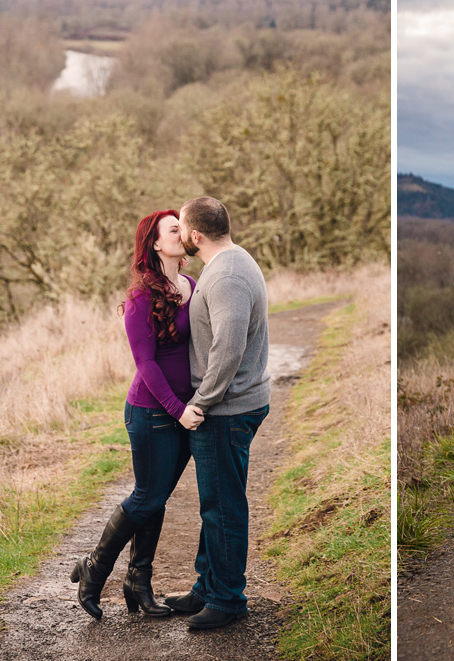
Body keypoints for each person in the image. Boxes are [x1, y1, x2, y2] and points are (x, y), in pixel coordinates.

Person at [70, 210, 198, 619]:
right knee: (147, 496)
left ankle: (138, 581)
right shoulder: (141, 296)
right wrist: (178, 411)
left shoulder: (192, 285)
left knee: (156, 499)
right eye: (174, 229)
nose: (182, 232)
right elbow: (146, 364)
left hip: (182, 412)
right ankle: (95, 568)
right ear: (156, 244)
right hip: (151, 411)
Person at [165, 195, 271, 630]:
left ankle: (228, 601)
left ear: (195, 236)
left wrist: (200, 403)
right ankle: (208, 586)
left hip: (226, 410)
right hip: (233, 404)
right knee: (216, 502)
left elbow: (227, 348)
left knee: (223, 507)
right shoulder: (233, 259)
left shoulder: (226, 275)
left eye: (182, 230)